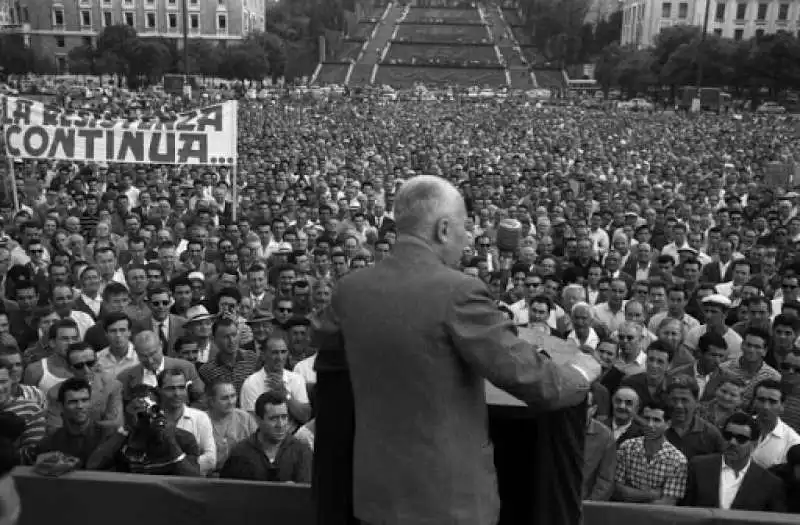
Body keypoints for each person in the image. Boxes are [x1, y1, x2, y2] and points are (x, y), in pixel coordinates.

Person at [314, 176, 600, 525]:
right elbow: (534, 380)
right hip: (449, 500)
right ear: (444, 229)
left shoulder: (350, 289)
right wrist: (581, 371)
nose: (467, 237)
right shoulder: (459, 293)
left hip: (376, 494)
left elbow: (327, 351)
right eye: (464, 227)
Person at [86, 384, 201, 476]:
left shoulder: (184, 438)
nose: (146, 416)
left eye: (152, 409)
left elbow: (194, 477)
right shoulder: (120, 437)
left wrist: (169, 439)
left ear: (161, 409)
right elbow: (92, 466)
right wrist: (126, 428)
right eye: (137, 410)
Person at [680, 412, 786, 511]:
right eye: (728, 436)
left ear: (754, 444)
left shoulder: (770, 483)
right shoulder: (699, 467)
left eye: (741, 438)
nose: (732, 442)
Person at [220, 390, 312, 483]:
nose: (280, 424)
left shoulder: (301, 451)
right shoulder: (240, 453)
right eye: (273, 418)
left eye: (284, 417)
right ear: (258, 420)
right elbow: (227, 492)